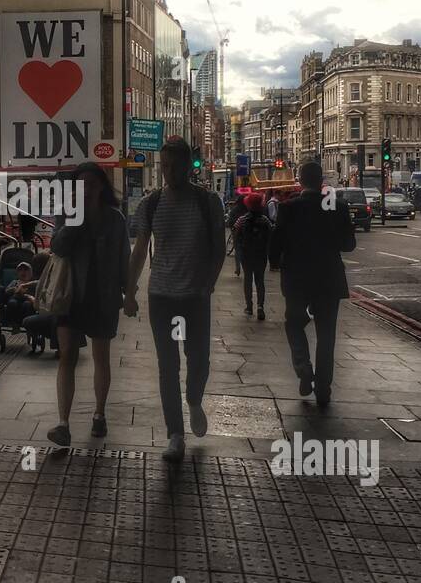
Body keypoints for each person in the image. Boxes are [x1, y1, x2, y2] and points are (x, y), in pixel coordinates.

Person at [124, 136, 225, 463]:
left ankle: (194, 400)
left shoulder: (207, 201)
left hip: (195, 296)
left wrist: (208, 282)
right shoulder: (152, 204)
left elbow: (219, 248)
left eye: (174, 166)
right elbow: (139, 250)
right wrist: (129, 291)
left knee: (199, 359)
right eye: (164, 166)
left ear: (187, 165)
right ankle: (175, 435)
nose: (168, 172)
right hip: (162, 295)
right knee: (168, 366)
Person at [46, 162, 130, 448]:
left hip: (102, 296)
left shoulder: (115, 219)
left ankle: (99, 414)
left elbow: (123, 259)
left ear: (101, 188)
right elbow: (56, 246)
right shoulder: (68, 213)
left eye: (92, 184)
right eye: (82, 184)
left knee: (100, 356)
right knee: (67, 354)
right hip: (71, 295)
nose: (87, 189)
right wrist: (74, 221)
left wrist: (127, 293)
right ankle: (63, 423)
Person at [268, 160, 356, 408]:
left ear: (300, 180)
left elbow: (276, 243)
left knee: (294, 325)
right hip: (329, 280)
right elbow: (349, 245)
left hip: (297, 281)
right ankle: (324, 388)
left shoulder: (288, 208)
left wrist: (275, 262)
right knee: (326, 335)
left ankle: (303, 367)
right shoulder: (338, 207)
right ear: (322, 181)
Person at [235, 191, 272, 320]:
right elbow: (270, 236)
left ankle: (249, 306)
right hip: (260, 254)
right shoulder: (265, 220)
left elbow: (236, 236)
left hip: (246, 254)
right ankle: (260, 306)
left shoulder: (242, 220)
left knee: (248, 279)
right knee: (260, 280)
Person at [226, 189, 248, 277]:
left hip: (236, 232)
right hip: (246, 233)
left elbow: (230, 222)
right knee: (246, 251)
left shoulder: (234, 210)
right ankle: (245, 267)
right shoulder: (247, 209)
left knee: (238, 250)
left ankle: (237, 267)